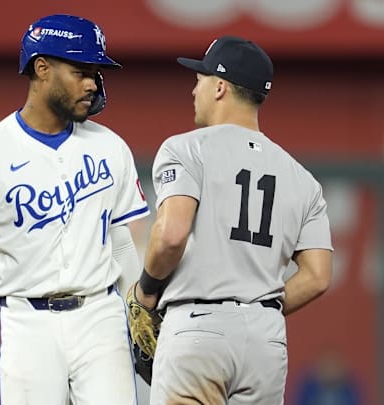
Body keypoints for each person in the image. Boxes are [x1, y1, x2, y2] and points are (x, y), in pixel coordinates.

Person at [0, 14, 149, 405]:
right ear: (42, 68)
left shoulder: (110, 146)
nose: (91, 83)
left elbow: (122, 246)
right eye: (81, 70)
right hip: (26, 324)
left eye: (95, 72)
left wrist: (141, 317)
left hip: (100, 316)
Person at [131, 36, 334, 404]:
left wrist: (145, 292)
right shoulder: (302, 178)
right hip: (266, 341)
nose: (195, 88)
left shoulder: (186, 148)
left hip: (197, 326)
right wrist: (258, 305)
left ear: (220, 87)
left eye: (201, 79)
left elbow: (171, 235)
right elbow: (318, 277)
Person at [294, 348, 362, 405]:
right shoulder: (308, 389)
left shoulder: (349, 390)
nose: (330, 369)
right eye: (327, 364)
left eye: (334, 365)